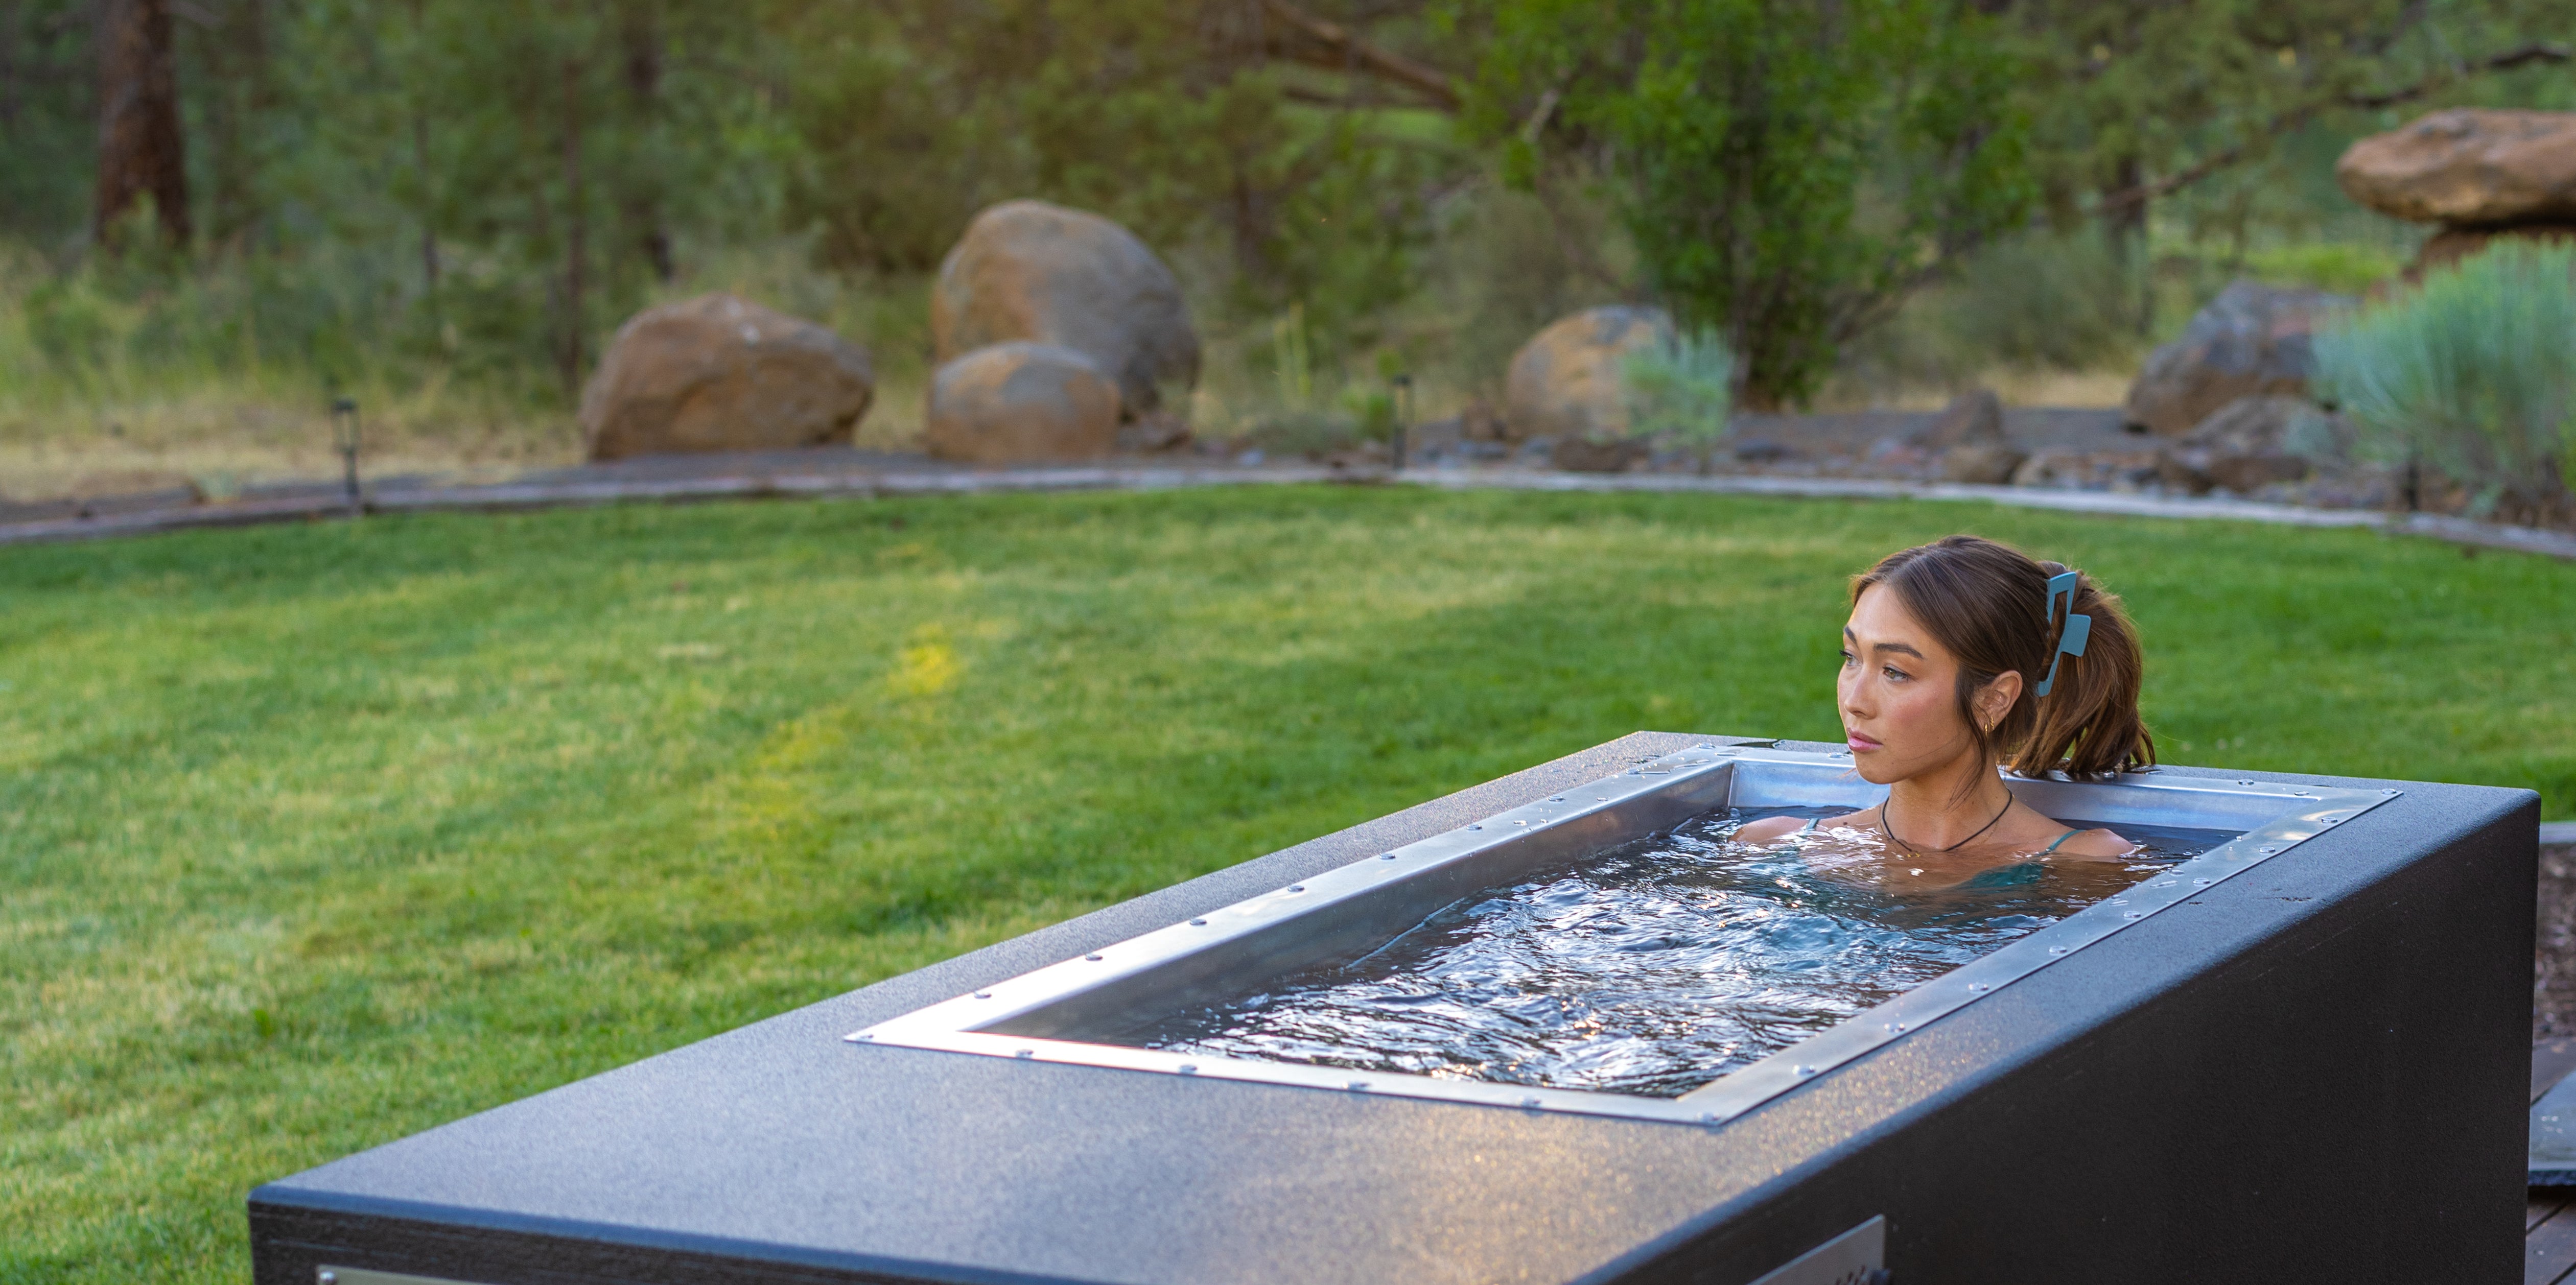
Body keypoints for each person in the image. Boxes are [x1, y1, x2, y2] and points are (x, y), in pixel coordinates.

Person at [1734, 534, 2153, 883]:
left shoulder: (2093, 864)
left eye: (1895, 671)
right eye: (1851, 658)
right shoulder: (1767, 845)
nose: (1854, 701)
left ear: (1994, 699)